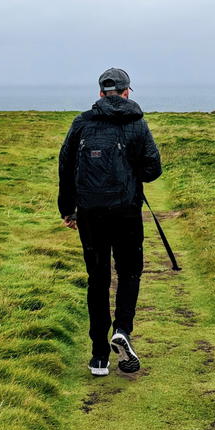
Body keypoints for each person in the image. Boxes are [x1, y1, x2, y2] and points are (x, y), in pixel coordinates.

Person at [58, 68, 162, 376]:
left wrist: (68, 209)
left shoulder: (81, 123)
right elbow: (152, 169)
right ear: (127, 91)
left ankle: (99, 357)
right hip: (127, 211)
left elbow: (66, 166)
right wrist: (131, 171)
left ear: (101, 92)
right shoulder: (137, 124)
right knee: (129, 273)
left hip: (90, 213)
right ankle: (123, 331)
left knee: (98, 279)